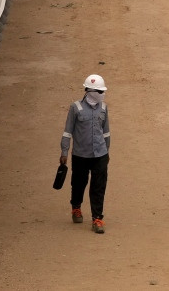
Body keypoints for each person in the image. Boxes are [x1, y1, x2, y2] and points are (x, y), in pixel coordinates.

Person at [61, 74, 110, 234]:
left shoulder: (104, 107)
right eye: (99, 91)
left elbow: (106, 132)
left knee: (98, 187)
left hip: (100, 155)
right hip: (80, 155)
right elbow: (68, 132)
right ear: (89, 91)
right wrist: (64, 152)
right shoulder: (76, 108)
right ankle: (76, 207)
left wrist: (107, 153)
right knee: (78, 183)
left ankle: (97, 218)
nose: (102, 94)